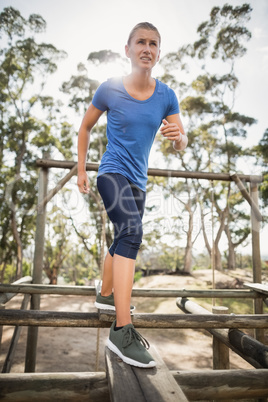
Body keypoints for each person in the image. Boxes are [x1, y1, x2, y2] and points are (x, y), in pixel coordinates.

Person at [77, 22, 188, 368]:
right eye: (140, 42)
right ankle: (121, 330)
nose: (147, 48)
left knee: (122, 236)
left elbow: (182, 140)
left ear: (158, 52)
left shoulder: (166, 95)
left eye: (153, 44)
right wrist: (81, 169)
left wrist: (178, 137)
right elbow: (86, 126)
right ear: (127, 49)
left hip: (138, 183)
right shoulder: (110, 89)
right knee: (131, 232)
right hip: (111, 173)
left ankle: (106, 294)